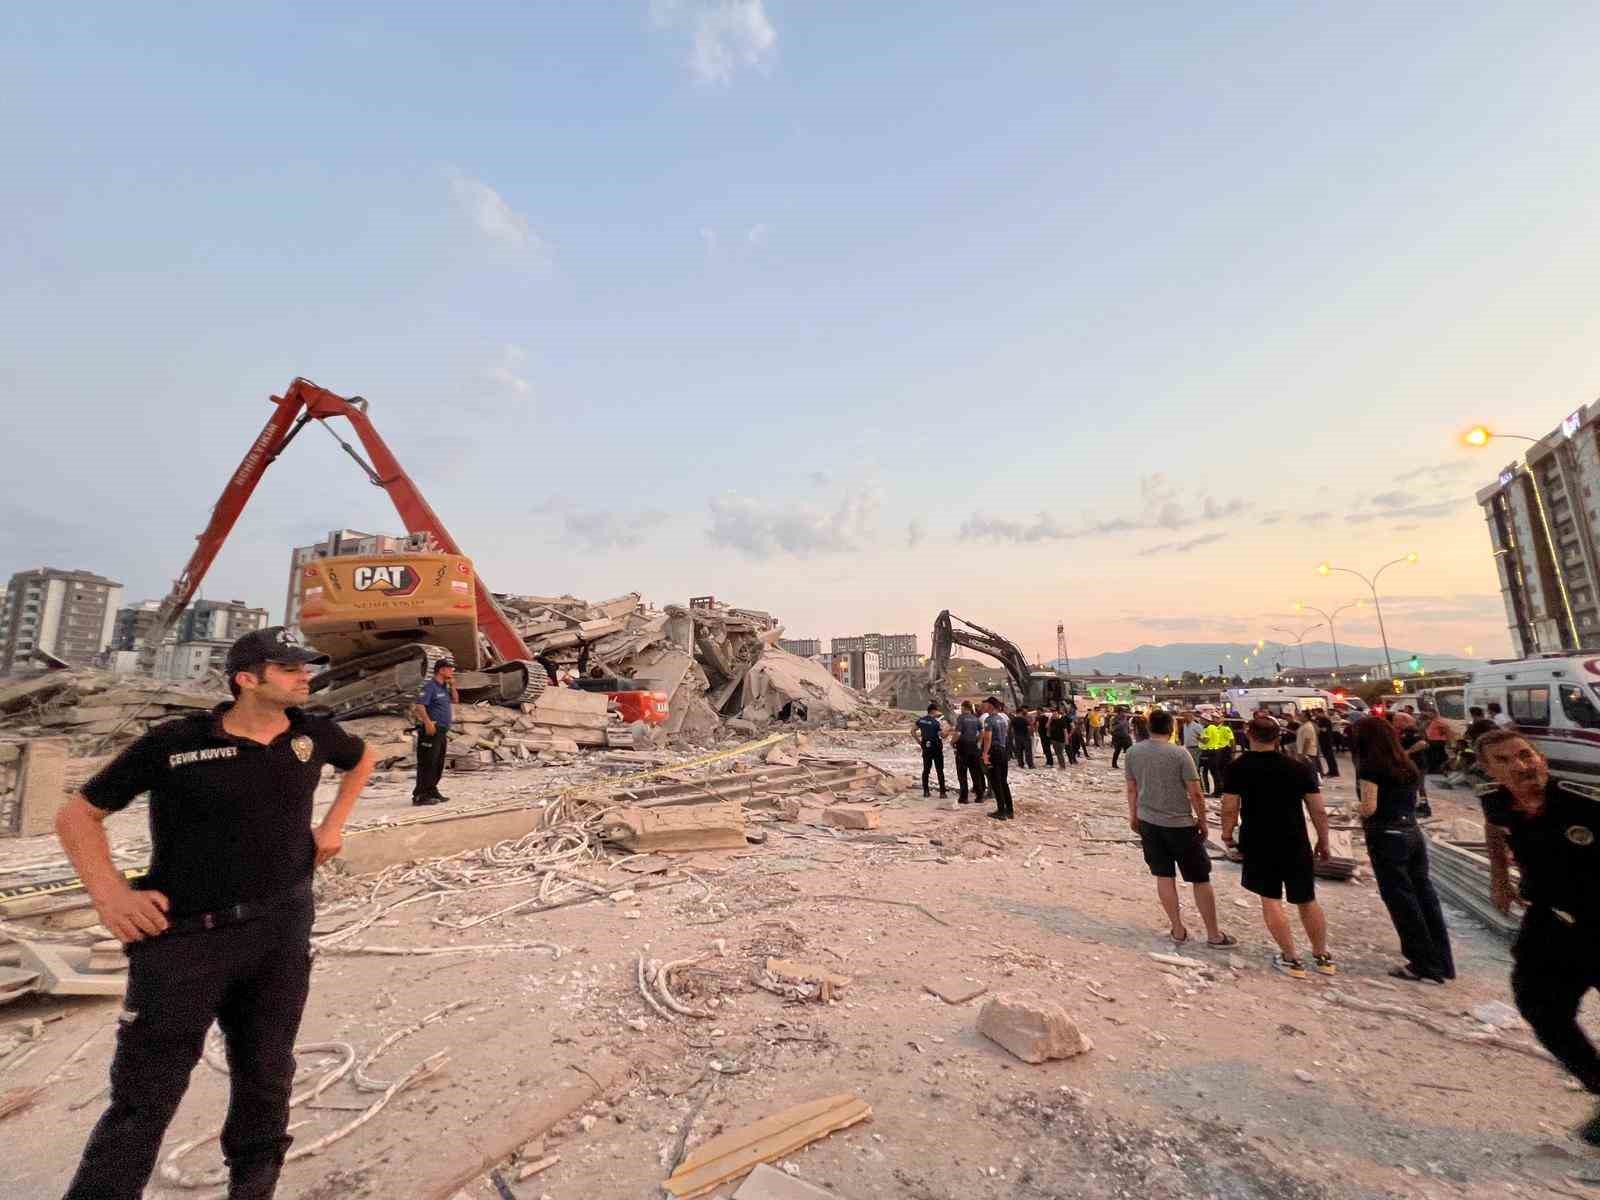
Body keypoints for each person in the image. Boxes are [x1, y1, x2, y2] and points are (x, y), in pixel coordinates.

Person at [53, 627, 374, 1200]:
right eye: (290, 668)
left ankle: (253, 1185)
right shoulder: (175, 743)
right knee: (143, 1097)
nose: (306, 676)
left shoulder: (314, 734)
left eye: (306, 667)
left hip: (281, 929)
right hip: (184, 941)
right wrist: (111, 895)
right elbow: (78, 815)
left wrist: (332, 824)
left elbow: (364, 758)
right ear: (246, 680)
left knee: (267, 1071)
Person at [1477, 729, 1600, 1145]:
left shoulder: (1585, 801)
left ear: (1541, 758)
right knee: (1539, 1006)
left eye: (1525, 755)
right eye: (1505, 761)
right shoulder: (1495, 800)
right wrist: (1499, 878)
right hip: (1549, 923)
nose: (1520, 765)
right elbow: (1495, 828)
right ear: (1489, 770)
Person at [1220, 713, 1337, 979]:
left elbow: (1229, 806)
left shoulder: (1239, 767)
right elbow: (1318, 809)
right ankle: (1321, 955)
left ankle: (1291, 958)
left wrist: (1227, 835)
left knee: (1271, 899)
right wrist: (1324, 840)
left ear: (1249, 735)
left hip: (1258, 840)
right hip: (1295, 840)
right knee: (1306, 899)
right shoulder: (1299, 766)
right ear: (1279, 736)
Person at [1353, 717, 1454, 983]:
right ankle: (1442, 960)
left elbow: (1369, 807)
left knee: (1401, 900)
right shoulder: (1406, 763)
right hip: (1412, 832)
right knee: (1424, 895)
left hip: (1386, 835)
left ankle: (1422, 962)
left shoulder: (1370, 767)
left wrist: (1354, 810)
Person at [1124, 709, 1235, 947]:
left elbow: (1132, 789)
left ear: (1149, 727)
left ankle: (1177, 930)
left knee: (1164, 876)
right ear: (1172, 728)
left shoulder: (1133, 753)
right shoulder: (1180, 754)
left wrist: (1133, 816)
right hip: (1180, 824)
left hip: (1149, 822)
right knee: (1200, 878)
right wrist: (1203, 821)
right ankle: (1214, 934)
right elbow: (1196, 793)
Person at [410, 657, 458, 806]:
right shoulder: (430, 686)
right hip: (431, 730)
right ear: (441, 670)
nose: (452, 671)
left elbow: (455, 700)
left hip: (442, 730)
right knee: (427, 762)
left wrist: (453, 686)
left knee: (437, 763)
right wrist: (427, 722)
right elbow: (419, 705)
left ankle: (432, 790)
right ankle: (420, 795)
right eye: (449, 668)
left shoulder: (443, 686)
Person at [980, 696, 1014, 820]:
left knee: (996, 781)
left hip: (994, 752)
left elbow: (988, 738)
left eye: (985, 705)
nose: (983, 707)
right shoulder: (1002, 719)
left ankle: (1001, 811)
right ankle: (1010, 810)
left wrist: (985, 754)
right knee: (1003, 782)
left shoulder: (989, 720)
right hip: (1003, 750)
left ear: (991, 706)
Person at [950, 701, 987, 805]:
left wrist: (952, 742)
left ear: (964, 707)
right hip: (974, 747)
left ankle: (964, 797)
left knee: (962, 773)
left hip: (963, 747)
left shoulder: (961, 718)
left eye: (961, 707)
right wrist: (978, 741)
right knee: (975, 772)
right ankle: (980, 796)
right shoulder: (976, 718)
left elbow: (958, 733)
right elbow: (982, 732)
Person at [914, 703, 948, 799]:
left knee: (926, 770)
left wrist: (919, 742)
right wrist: (948, 731)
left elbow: (912, 731)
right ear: (933, 711)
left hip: (926, 746)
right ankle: (942, 792)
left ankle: (926, 791)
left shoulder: (921, 720)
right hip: (936, 747)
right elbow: (942, 735)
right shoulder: (936, 723)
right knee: (939, 770)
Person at [1199, 714, 1236, 798]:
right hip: (1217, 751)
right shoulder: (1214, 728)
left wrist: (1233, 753)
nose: (1215, 719)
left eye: (1217, 718)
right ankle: (1219, 790)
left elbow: (1232, 741)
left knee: (1223, 772)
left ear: (1222, 719)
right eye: (1214, 718)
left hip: (1225, 751)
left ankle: (1223, 790)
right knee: (1217, 772)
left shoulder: (1225, 728)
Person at [1181, 710, 1209, 792]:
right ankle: (1190, 789)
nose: (1184, 718)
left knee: (1194, 769)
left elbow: (1206, 739)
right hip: (1187, 749)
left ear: (1191, 717)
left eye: (1186, 716)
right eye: (1184, 716)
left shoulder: (1197, 726)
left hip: (1195, 749)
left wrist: (1199, 738)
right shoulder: (1185, 725)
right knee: (1188, 769)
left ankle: (1200, 789)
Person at [1294, 713, 1321, 777]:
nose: (1299, 717)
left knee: (1310, 770)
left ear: (1306, 717)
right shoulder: (1303, 725)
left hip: (1308, 752)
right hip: (1302, 751)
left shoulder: (1308, 727)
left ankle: (1314, 784)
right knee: (1307, 770)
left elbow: (1307, 741)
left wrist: (1304, 754)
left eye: (1300, 716)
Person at [1314, 713, 1339, 778]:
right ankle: (1331, 771)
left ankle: (1334, 772)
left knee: (1330, 757)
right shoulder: (1322, 720)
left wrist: (1317, 727)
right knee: (1327, 757)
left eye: (1316, 713)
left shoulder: (1325, 721)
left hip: (1327, 741)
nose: (1315, 715)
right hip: (1323, 741)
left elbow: (1324, 730)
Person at [1048, 705, 1070, 770]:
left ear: (1058, 714)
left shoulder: (1062, 720)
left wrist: (1066, 740)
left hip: (1061, 740)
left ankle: (1063, 766)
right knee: (1057, 753)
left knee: (1060, 753)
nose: (1054, 715)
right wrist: (1050, 719)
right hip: (1054, 739)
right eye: (1053, 714)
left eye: (1055, 714)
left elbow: (1065, 731)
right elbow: (1047, 726)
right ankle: (1061, 765)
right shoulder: (1052, 720)